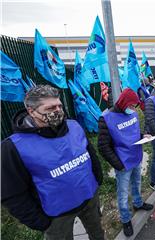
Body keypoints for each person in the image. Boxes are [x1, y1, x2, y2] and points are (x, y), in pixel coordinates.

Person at [1, 85, 104, 240]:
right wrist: (40, 222)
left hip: (90, 199)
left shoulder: (74, 126)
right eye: (50, 108)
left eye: (59, 106)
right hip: (57, 216)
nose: (57, 111)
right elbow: (11, 193)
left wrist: (98, 178)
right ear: (31, 111)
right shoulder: (13, 147)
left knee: (98, 234)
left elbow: (91, 155)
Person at [98, 88, 154, 237]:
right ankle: (125, 219)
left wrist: (143, 135)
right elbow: (103, 147)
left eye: (134, 106)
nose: (133, 109)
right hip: (122, 163)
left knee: (137, 183)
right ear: (123, 102)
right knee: (122, 193)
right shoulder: (106, 118)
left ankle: (138, 203)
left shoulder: (133, 113)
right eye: (131, 106)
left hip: (136, 156)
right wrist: (118, 164)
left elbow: (134, 133)